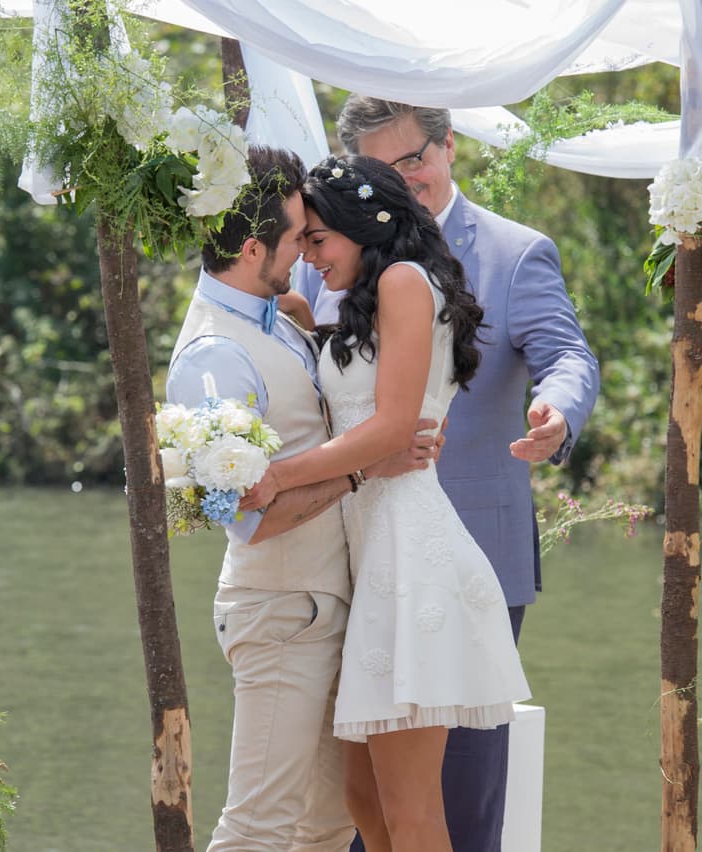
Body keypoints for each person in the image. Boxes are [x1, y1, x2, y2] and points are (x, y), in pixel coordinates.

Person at [296, 97, 600, 851]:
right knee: (369, 808)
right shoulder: (340, 266)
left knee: (457, 809)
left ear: (448, 147)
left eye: (416, 158)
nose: (410, 177)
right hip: (358, 557)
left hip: (459, 559)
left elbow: (568, 355)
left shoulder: (514, 250)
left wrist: (555, 414)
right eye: (390, 166)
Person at [245, 154, 532, 851]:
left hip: (407, 554)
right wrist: (312, 327)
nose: (309, 254)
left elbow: (394, 425)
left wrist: (280, 476)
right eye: (303, 242)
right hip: (366, 549)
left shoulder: (405, 280)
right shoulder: (366, 298)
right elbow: (357, 401)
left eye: (317, 239)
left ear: (363, 225)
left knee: (409, 810)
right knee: (362, 799)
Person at [166, 146, 441, 851]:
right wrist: (360, 473)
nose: (310, 252)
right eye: (299, 238)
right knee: (258, 826)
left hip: (331, 606)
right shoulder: (213, 357)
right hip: (281, 610)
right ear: (255, 247)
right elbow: (248, 521)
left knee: (323, 826)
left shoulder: (276, 319)